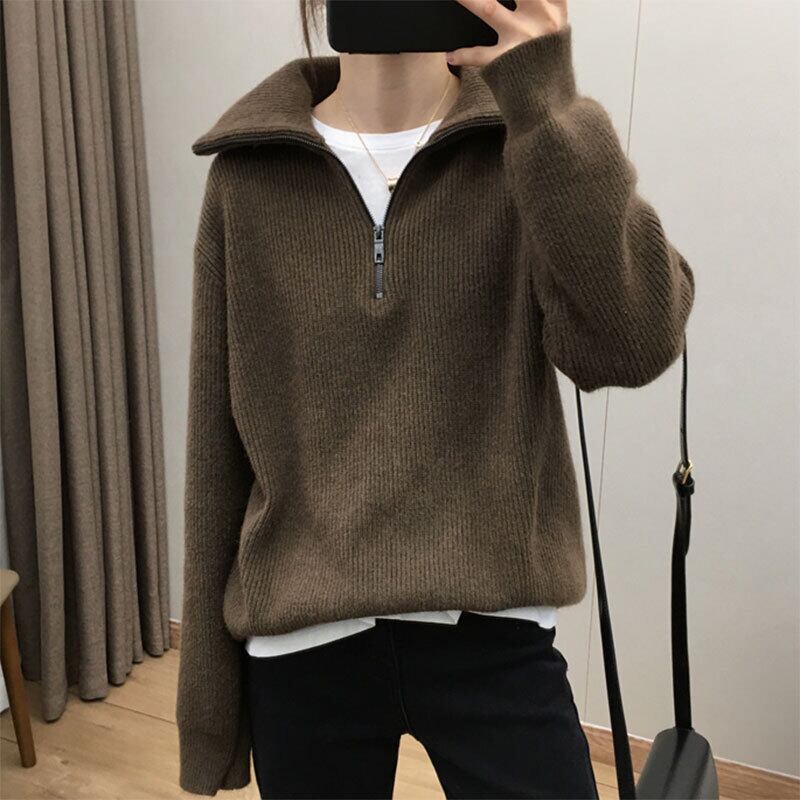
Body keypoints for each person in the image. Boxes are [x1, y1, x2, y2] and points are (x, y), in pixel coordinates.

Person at [175, 0, 695, 797]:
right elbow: (217, 447)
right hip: (304, 644)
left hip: (494, 632)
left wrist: (546, 101)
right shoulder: (248, 177)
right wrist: (208, 713)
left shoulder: (526, 146)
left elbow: (631, 344)